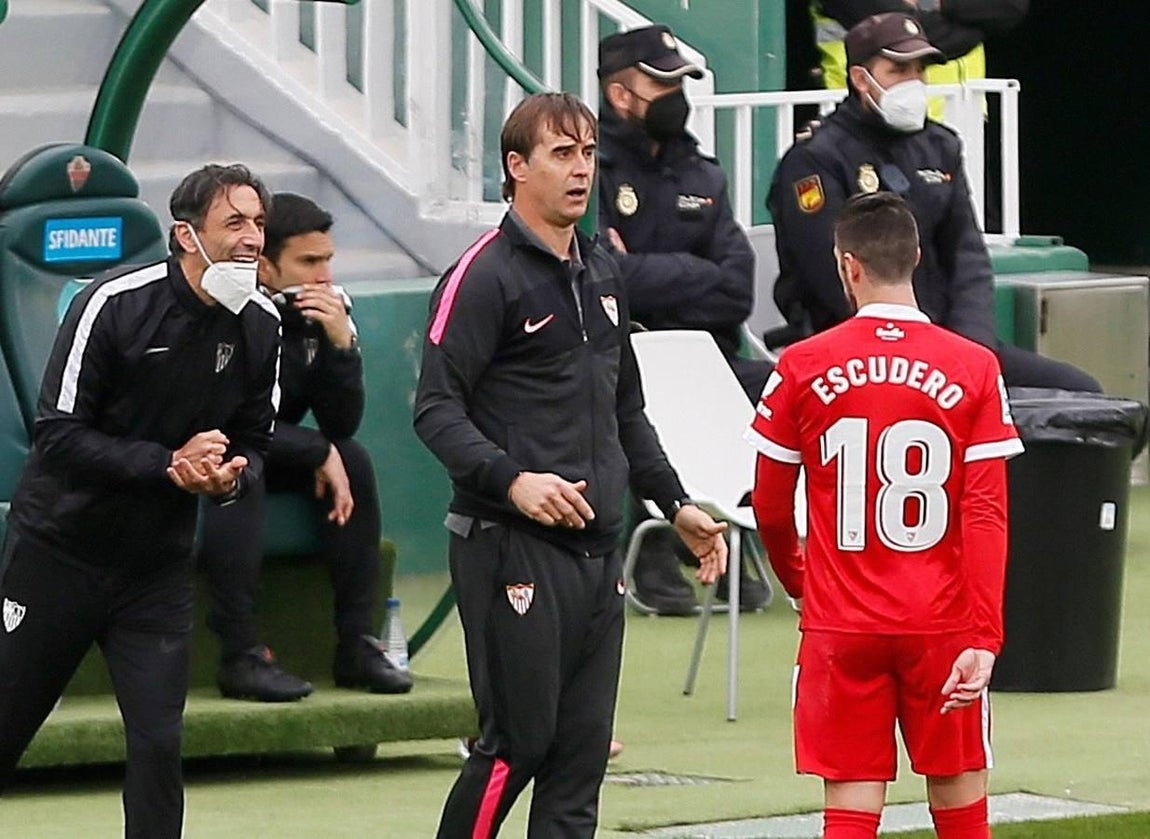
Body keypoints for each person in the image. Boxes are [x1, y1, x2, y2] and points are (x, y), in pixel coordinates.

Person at [413, 91, 728, 838]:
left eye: (588, 152)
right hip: (509, 546)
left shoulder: (603, 269)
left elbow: (626, 412)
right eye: (561, 153)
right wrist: (513, 481)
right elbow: (433, 410)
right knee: (513, 746)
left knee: (579, 760)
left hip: (597, 552)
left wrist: (674, 502)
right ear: (517, 167)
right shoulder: (483, 277)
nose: (580, 169)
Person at [0, 164, 281, 838]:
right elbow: (58, 435)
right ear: (186, 235)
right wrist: (167, 466)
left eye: (258, 223)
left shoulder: (264, 323)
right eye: (234, 222)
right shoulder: (112, 303)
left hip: (154, 570)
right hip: (57, 553)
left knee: (158, 743)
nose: (251, 239)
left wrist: (228, 478)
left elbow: (255, 441)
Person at [747, 192, 1023, 839]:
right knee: (960, 798)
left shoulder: (799, 366)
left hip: (842, 622)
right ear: (917, 258)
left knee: (850, 807)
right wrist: (985, 634)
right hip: (942, 621)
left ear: (848, 266)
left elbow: (768, 502)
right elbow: (986, 511)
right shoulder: (976, 366)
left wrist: (800, 581)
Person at [768, 12, 1100, 393]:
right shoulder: (816, 159)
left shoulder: (940, 146)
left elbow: (966, 254)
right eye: (898, 69)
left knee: (1083, 395)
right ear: (861, 79)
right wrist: (920, 349)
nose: (914, 82)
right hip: (861, 355)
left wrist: (972, 347)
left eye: (919, 70)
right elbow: (831, 279)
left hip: (949, 342)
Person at [198, 192, 412, 702]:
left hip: (270, 447)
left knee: (353, 459)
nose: (323, 276)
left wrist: (342, 344)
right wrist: (316, 451)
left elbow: (341, 422)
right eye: (308, 262)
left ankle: (357, 645)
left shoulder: (318, 314)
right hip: (200, 452)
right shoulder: (231, 312)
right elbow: (230, 422)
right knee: (240, 468)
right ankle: (240, 654)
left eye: (328, 260)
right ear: (266, 266)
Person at [597, 24, 772, 615]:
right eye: (662, 81)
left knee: (780, 387)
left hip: (708, 355)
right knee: (618, 394)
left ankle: (729, 530)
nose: (677, 94)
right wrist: (692, 271)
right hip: (624, 351)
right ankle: (653, 538)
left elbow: (736, 289)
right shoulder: (588, 170)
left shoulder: (702, 173)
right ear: (621, 95)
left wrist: (643, 272)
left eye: (680, 81)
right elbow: (599, 279)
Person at [810, 1, 1029, 122]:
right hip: (871, 119)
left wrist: (933, 4)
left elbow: (1011, 7)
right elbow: (907, 35)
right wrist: (978, 26)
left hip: (964, 119)